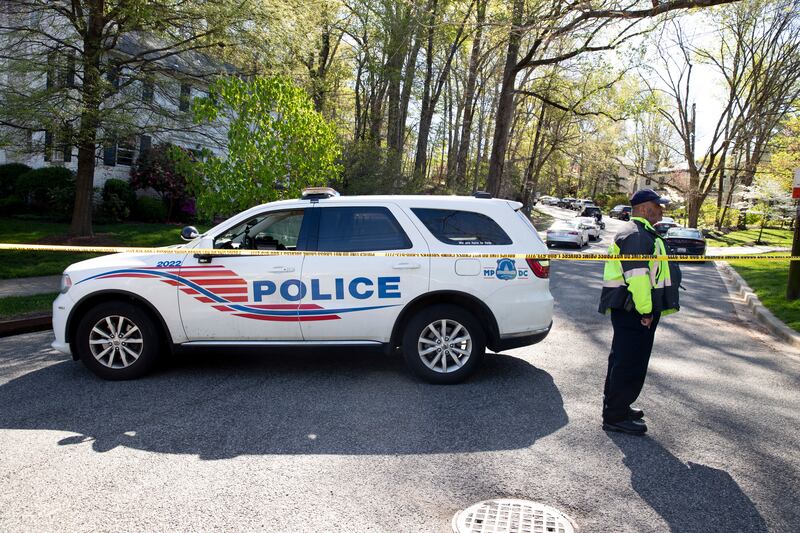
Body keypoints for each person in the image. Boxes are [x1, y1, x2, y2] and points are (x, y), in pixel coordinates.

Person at [598, 189, 681, 435]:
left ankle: (617, 407)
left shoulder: (640, 233)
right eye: (659, 206)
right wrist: (646, 311)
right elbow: (638, 278)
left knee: (622, 360)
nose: (662, 210)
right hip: (634, 309)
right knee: (629, 364)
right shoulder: (636, 236)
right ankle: (615, 417)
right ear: (645, 208)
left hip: (630, 308)